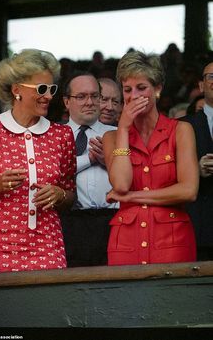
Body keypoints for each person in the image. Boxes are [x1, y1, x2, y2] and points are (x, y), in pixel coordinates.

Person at [0, 49, 76, 274]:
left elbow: (70, 194)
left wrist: (59, 195)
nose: (49, 96)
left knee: (46, 307)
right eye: (41, 89)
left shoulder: (62, 135)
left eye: (52, 89)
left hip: (47, 247)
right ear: (16, 90)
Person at [103, 50, 199, 266]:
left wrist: (131, 197)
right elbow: (120, 184)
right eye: (127, 90)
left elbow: (188, 190)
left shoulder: (181, 130)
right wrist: (124, 130)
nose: (134, 96)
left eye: (141, 88)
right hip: (125, 244)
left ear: (157, 89)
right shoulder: (113, 136)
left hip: (172, 242)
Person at [60, 72, 119, 267]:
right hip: (69, 224)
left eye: (95, 96)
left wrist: (109, 161)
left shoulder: (118, 135)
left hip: (112, 222)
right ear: (67, 102)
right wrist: (90, 159)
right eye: (81, 96)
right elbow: (53, 172)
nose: (90, 102)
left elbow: (134, 176)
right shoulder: (53, 136)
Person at [181, 62, 213, 260]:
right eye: (211, 76)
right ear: (201, 86)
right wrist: (195, 170)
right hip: (199, 225)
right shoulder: (183, 126)